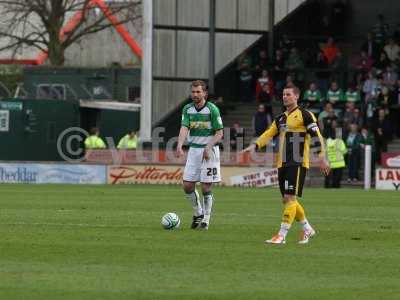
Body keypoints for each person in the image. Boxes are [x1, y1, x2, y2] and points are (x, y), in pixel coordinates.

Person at [243, 86, 330, 244]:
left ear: (296, 96)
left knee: (290, 197)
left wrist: (322, 157)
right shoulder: (281, 118)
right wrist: (255, 145)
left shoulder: (305, 115)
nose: (285, 97)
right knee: (287, 199)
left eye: (288, 94)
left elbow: (317, 136)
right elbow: (269, 133)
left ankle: (281, 235)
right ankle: (307, 228)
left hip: (297, 161)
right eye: (283, 94)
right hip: (282, 162)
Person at [176, 80, 224, 230]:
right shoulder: (187, 109)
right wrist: (179, 145)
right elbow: (184, 127)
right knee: (187, 185)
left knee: (205, 187)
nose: (195, 94)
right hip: (194, 150)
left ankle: (206, 220)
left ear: (205, 93)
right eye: (193, 92)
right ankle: (198, 213)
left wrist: (208, 147)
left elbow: (219, 132)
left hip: (210, 151)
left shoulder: (212, 109)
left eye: (198, 92)